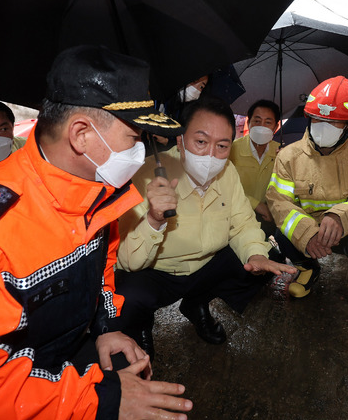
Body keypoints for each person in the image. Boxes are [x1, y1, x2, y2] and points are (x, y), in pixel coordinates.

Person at [0, 45, 192, 420]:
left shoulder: (95, 188)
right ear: (82, 135)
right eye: (134, 136)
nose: (140, 151)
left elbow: (101, 265)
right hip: (12, 397)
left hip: (70, 353)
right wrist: (96, 405)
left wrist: (106, 326)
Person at [115, 96, 297, 359]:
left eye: (222, 146)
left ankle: (196, 303)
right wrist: (154, 220)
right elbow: (128, 260)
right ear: (180, 140)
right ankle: (140, 326)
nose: (211, 155)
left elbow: (243, 223)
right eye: (200, 142)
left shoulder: (228, 173)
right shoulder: (144, 175)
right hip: (158, 271)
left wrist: (255, 253)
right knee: (127, 295)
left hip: (206, 264)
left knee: (264, 261)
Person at [266, 76, 348, 320]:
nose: (323, 126)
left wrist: (340, 217)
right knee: (283, 234)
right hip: (312, 234)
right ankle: (307, 269)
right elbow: (278, 201)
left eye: (335, 122)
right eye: (318, 119)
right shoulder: (288, 157)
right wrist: (306, 232)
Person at [229, 99, 281, 237]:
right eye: (257, 121)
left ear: (275, 127)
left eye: (268, 122)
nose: (261, 126)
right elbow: (225, 188)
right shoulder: (231, 150)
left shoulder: (281, 153)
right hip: (235, 214)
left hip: (268, 217)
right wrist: (257, 204)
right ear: (248, 123)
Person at [151, 74, 208, 150]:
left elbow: (185, 141)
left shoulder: (190, 112)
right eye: (195, 81)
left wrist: (166, 141)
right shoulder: (156, 96)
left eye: (201, 87)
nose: (196, 89)